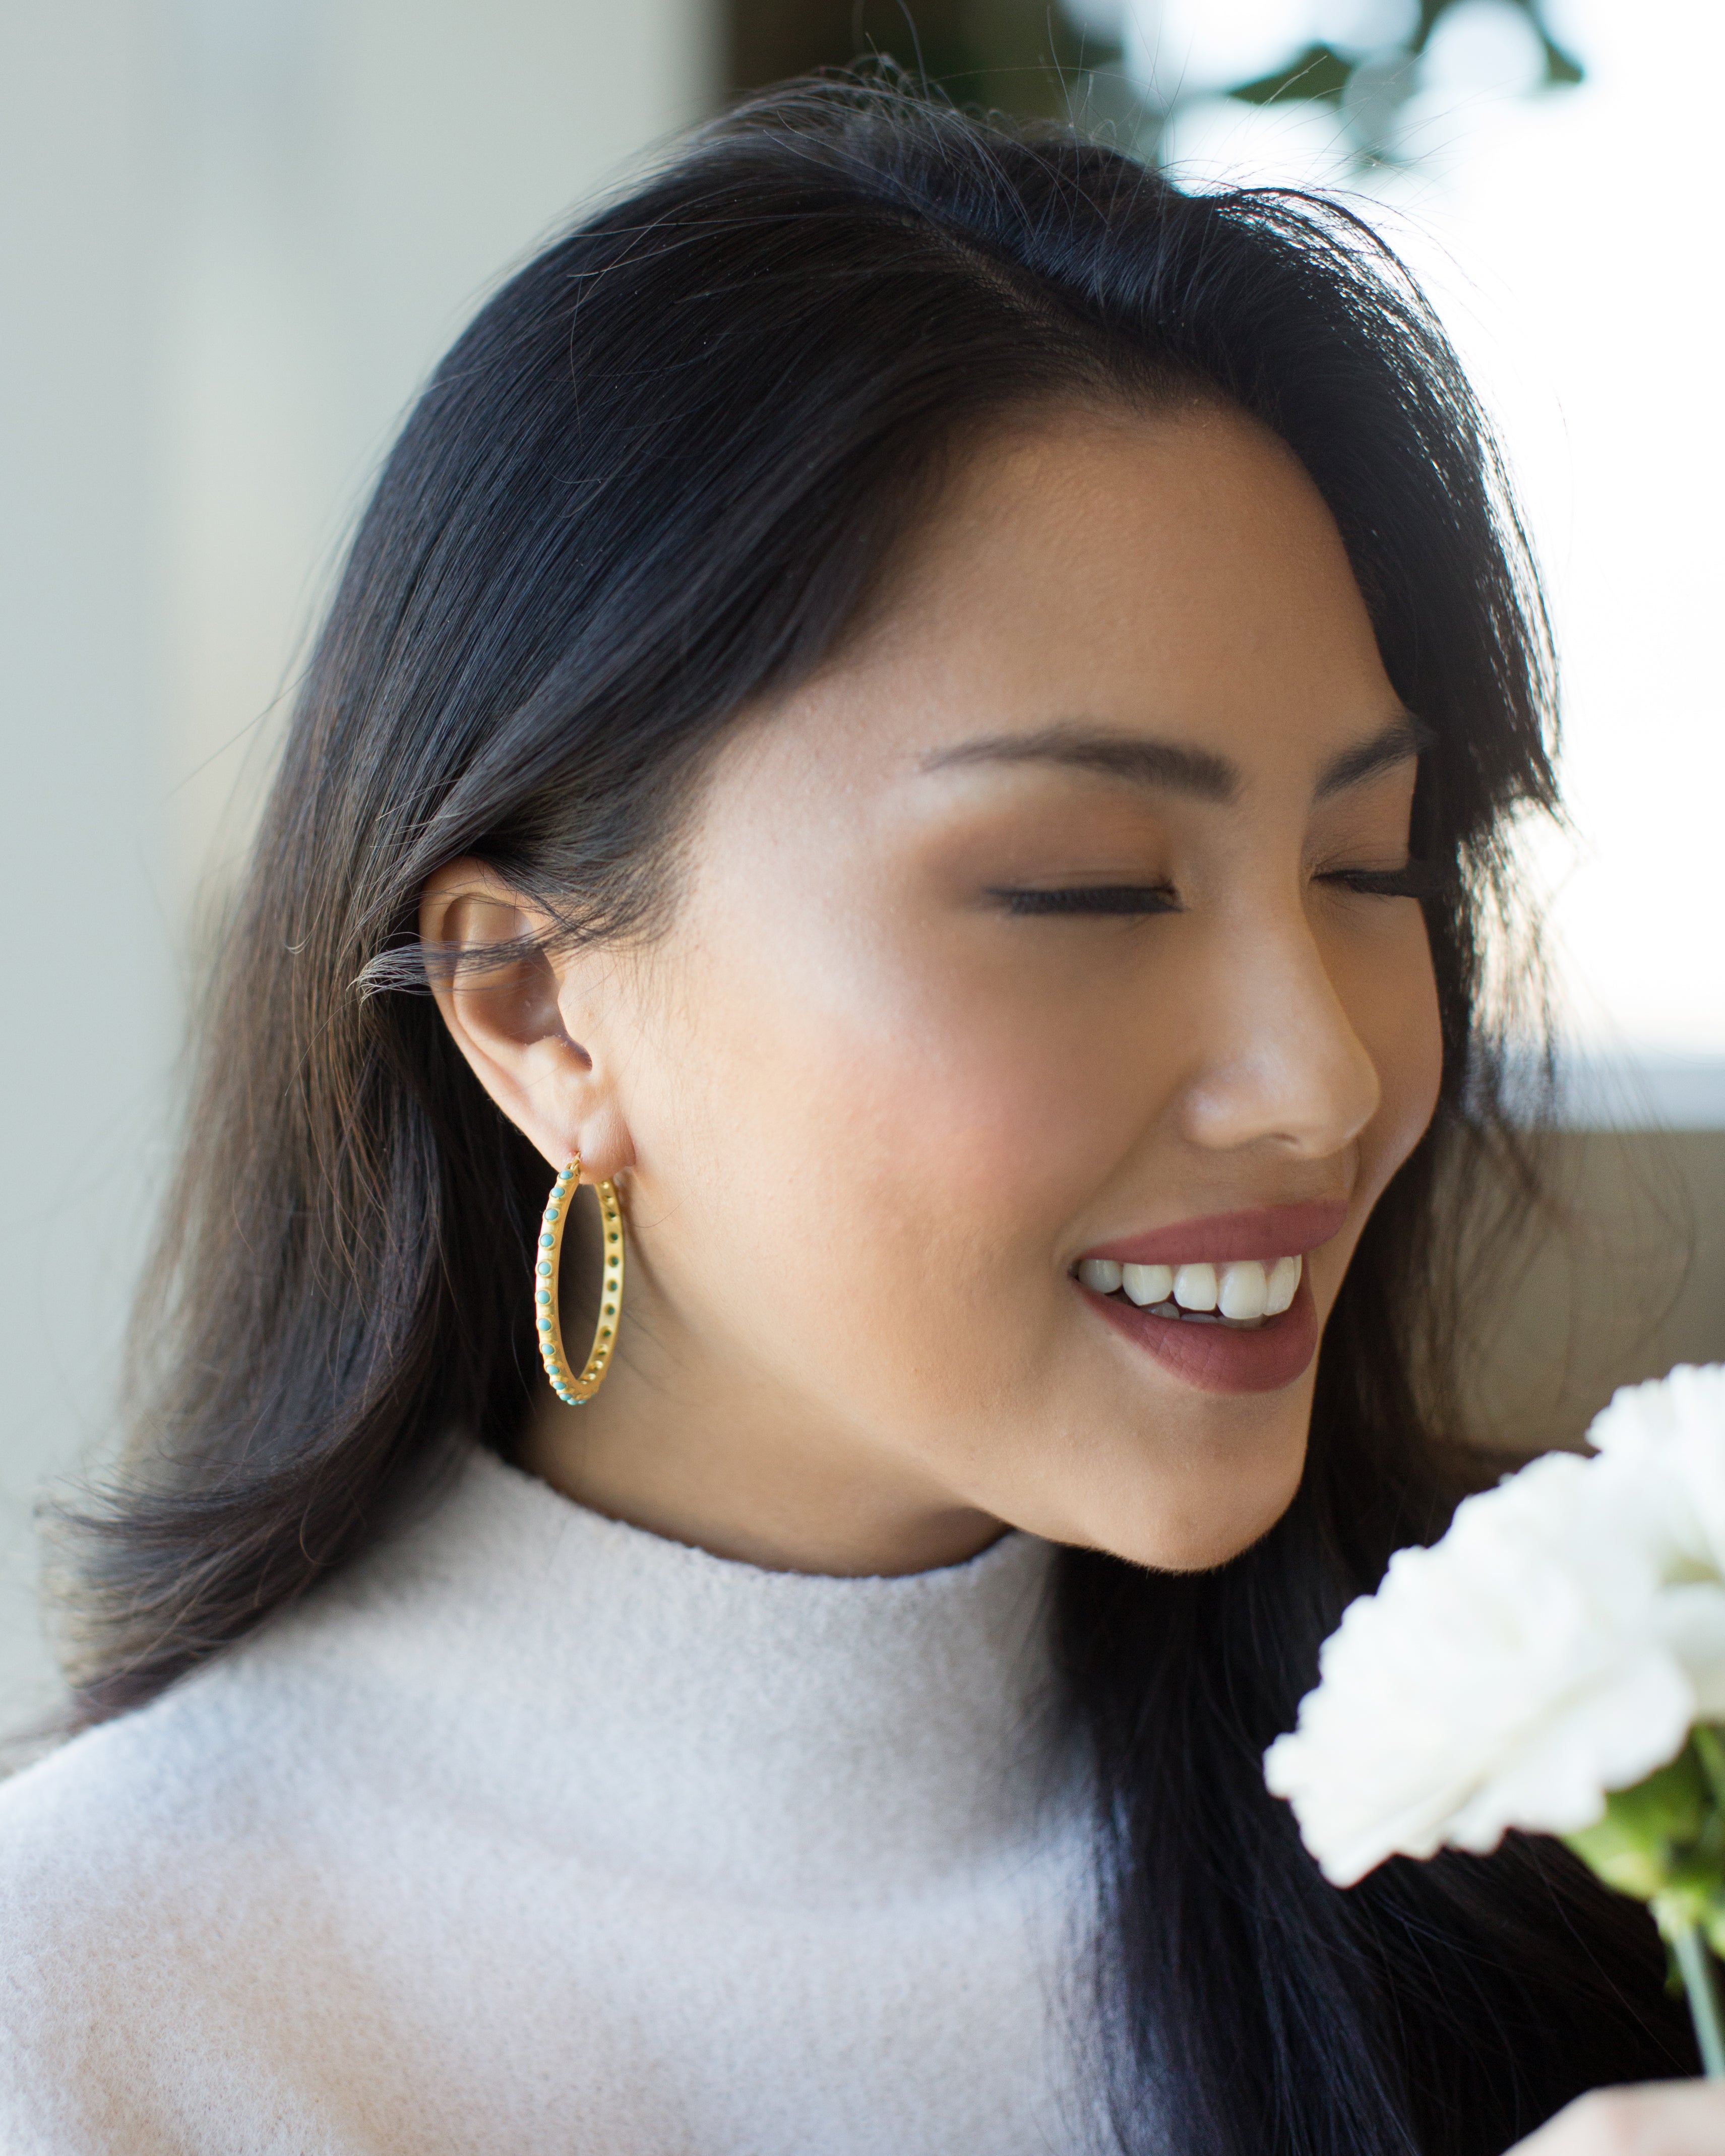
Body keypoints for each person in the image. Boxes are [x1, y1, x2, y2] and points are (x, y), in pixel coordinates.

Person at [0, 75, 1716, 2156]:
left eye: (1368, 865)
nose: (1327, 1078)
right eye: (1085, 886)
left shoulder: (1604, 1826)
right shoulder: (95, 2014)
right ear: (533, 1004)